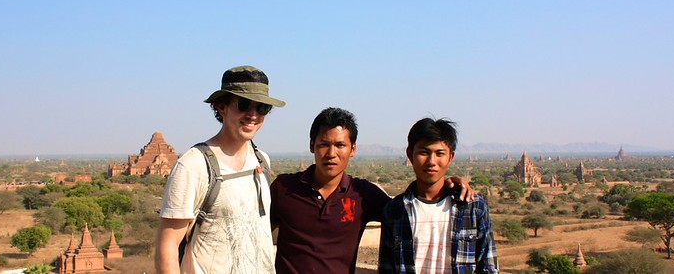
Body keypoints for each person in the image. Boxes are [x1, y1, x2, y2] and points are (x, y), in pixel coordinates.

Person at [270, 108, 475, 273]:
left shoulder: (363, 194)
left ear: (353, 149)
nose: (331, 153)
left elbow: (407, 209)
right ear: (312, 145)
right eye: (324, 144)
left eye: (340, 145)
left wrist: (448, 184)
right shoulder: (283, 188)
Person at [155, 65, 285, 274]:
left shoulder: (261, 161)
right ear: (221, 107)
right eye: (244, 105)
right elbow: (168, 246)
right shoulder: (194, 165)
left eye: (262, 108)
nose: (253, 115)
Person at [378, 118, 498, 274]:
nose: (431, 161)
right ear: (410, 154)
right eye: (424, 152)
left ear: (450, 157)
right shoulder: (395, 210)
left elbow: (489, 267)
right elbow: (386, 269)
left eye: (439, 153)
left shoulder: (472, 207)